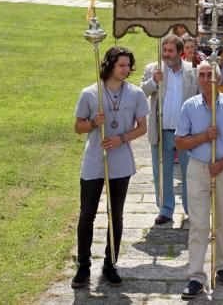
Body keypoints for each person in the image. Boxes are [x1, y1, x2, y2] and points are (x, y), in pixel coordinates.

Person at [176, 60, 223, 300]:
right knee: (199, 223)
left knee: (222, 220)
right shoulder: (190, 106)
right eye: (202, 75)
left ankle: (221, 266)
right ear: (198, 79)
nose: (206, 78)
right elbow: (180, 142)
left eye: (210, 74)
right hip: (198, 169)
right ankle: (196, 276)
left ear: (218, 79)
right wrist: (203, 137)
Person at [71, 46, 148, 289]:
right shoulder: (90, 93)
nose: (126, 70)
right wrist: (94, 122)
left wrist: (121, 139)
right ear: (109, 65)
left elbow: (142, 127)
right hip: (94, 160)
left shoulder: (136, 94)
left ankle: (110, 263)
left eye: (128, 65)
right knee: (87, 214)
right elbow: (78, 126)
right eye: (121, 65)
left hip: (121, 162)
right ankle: (83, 266)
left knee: (116, 214)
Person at [141, 35, 197, 225]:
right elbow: (140, 95)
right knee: (162, 172)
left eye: (170, 51)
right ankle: (165, 209)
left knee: (190, 172)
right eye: (164, 51)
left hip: (186, 133)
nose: (166, 55)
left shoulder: (193, 71)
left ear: (180, 52)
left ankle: (192, 209)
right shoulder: (153, 69)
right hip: (162, 131)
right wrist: (153, 82)